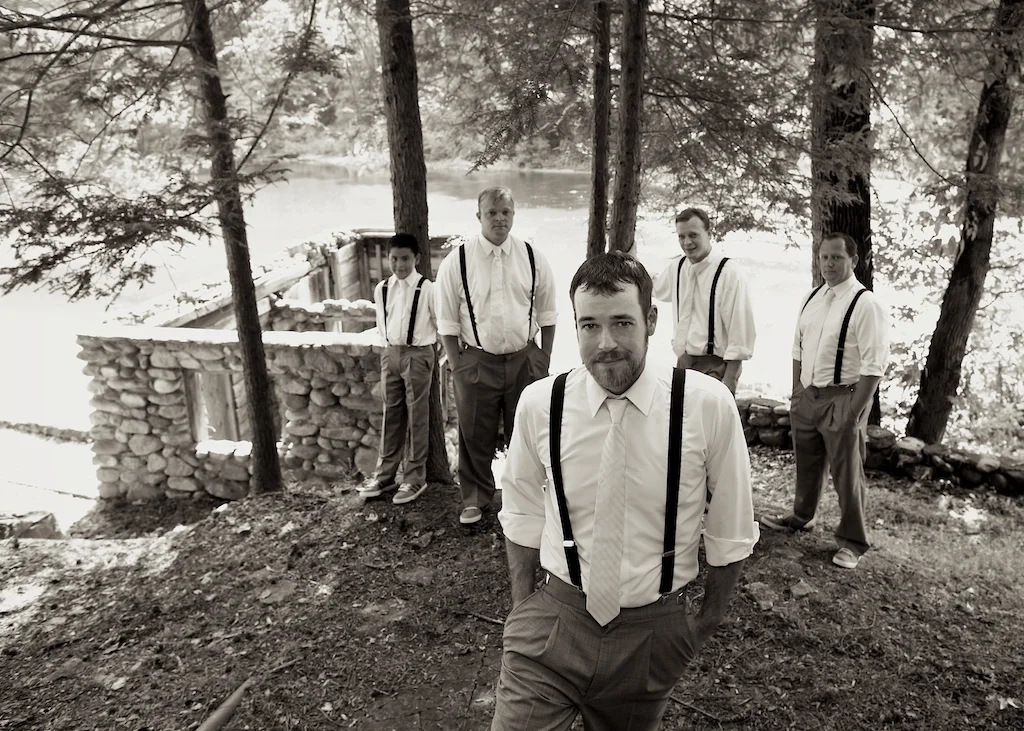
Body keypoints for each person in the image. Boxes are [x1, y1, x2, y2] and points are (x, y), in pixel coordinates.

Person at [493, 252, 758, 730]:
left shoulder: (706, 406)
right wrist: (522, 606)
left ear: (651, 320)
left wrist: (704, 623)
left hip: (652, 634)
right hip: (554, 621)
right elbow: (522, 510)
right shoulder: (541, 403)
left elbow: (731, 526)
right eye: (590, 326)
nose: (606, 343)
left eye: (621, 322)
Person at [760, 232, 890, 570]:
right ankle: (802, 516)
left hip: (842, 397)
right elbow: (797, 349)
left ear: (854, 260)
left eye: (836, 257)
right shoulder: (812, 297)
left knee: (847, 475)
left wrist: (853, 412)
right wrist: (797, 392)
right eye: (824, 257)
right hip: (808, 396)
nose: (828, 264)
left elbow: (874, 367)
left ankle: (852, 542)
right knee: (807, 463)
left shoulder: (866, 304)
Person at [435, 187, 557, 526]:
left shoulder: (532, 257)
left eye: (505, 212)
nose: (499, 218)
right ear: (479, 216)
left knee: (527, 431)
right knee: (475, 432)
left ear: (513, 214)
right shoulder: (458, 261)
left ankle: (526, 498)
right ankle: (475, 499)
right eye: (492, 212)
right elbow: (446, 319)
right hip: (476, 360)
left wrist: (543, 358)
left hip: (525, 360)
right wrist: (457, 363)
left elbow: (548, 313)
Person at [358, 233, 437, 505]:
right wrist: (388, 352)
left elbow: (440, 323)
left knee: (417, 416)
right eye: (394, 259)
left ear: (417, 258)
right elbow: (383, 323)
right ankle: (385, 475)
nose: (399, 264)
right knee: (391, 413)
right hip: (390, 353)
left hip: (418, 354)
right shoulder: (382, 288)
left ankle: (415, 478)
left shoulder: (427, 289)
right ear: (387, 258)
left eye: (405, 259)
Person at [651, 207, 755, 394]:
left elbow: (740, 330)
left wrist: (730, 379)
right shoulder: (677, 267)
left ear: (709, 233)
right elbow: (656, 288)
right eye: (681, 237)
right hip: (683, 363)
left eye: (693, 235)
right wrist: (629, 261)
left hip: (715, 367)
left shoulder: (729, 273)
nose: (687, 242)